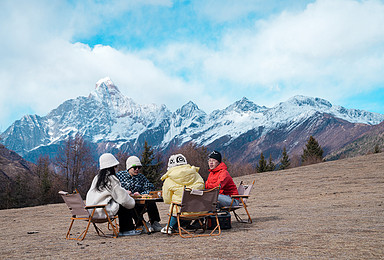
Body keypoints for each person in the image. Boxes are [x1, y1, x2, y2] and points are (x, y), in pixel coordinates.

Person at [86, 153, 141, 236]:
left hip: (92, 210)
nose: (115, 169)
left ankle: (128, 228)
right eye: (115, 167)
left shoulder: (97, 178)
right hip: (102, 210)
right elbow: (123, 198)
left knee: (123, 202)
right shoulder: (111, 178)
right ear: (112, 167)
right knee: (125, 203)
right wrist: (132, 201)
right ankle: (127, 229)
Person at [115, 156, 162, 232]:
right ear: (129, 168)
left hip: (140, 201)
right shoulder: (119, 176)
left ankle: (154, 222)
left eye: (139, 167)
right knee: (132, 204)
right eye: (135, 167)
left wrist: (141, 194)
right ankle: (141, 223)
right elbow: (115, 188)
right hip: (126, 202)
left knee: (151, 200)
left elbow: (150, 187)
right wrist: (124, 191)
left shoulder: (141, 177)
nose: (137, 169)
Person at [160, 154, 205, 234]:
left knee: (175, 205)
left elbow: (167, 200)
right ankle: (183, 224)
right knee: (184, 203)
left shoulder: (169, 179)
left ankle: (170, 226)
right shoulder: (197, 175)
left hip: (181, 211)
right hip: (200, 210)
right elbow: (202, 188)